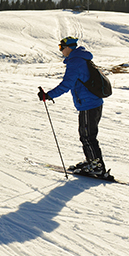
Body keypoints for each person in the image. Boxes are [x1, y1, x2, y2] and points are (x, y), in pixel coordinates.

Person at [38, 37, 107, 177]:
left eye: (61, 47)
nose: (61, 51)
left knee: (87, 136)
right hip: (92, 103)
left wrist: (48, 95)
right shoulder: (80, 59)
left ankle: (97, 166)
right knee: (87, 135)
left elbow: (66, 84)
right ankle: (92, 162)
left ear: (69, 47)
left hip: (88, 104)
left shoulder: (75, 62)